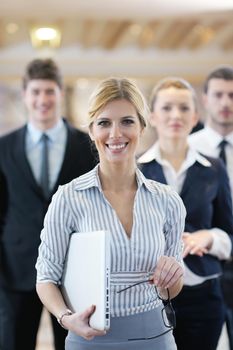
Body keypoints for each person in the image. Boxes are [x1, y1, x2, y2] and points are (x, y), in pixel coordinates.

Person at [35, 77, 186, 350]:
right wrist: (66, 317)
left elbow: (171, 291)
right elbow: (46, 278)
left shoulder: (168, 201)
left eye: (127, 121)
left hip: (156, 338)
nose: (116, 134)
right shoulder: (68, 198)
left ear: (142, 126)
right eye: (104, 123)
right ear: (92, 130)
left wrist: (172, 277)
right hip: (89, 339)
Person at [0, 58, 96, 350]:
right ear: (25, 95)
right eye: (36, 92)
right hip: (15, 270)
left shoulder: (87, 146)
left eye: (49, 91)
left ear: (60, 94)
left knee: (74, 345)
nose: (43, 99)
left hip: (73, 269)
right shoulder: (3, 148)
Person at [138, 77, 233, 350]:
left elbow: (229, 232)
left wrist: (209, 237)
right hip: (150, 296)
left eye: (183, 108)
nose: (175, 115)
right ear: (153, 117)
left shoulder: (213, 168)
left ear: (195, 116)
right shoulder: (137, 170)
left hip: (204, 295)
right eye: (167, 108)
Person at [189, 65, 233, 350]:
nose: (225, 103)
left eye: (231, 95)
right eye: (218, 95)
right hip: (206, 263)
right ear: (205, 100)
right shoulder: (188, 148)